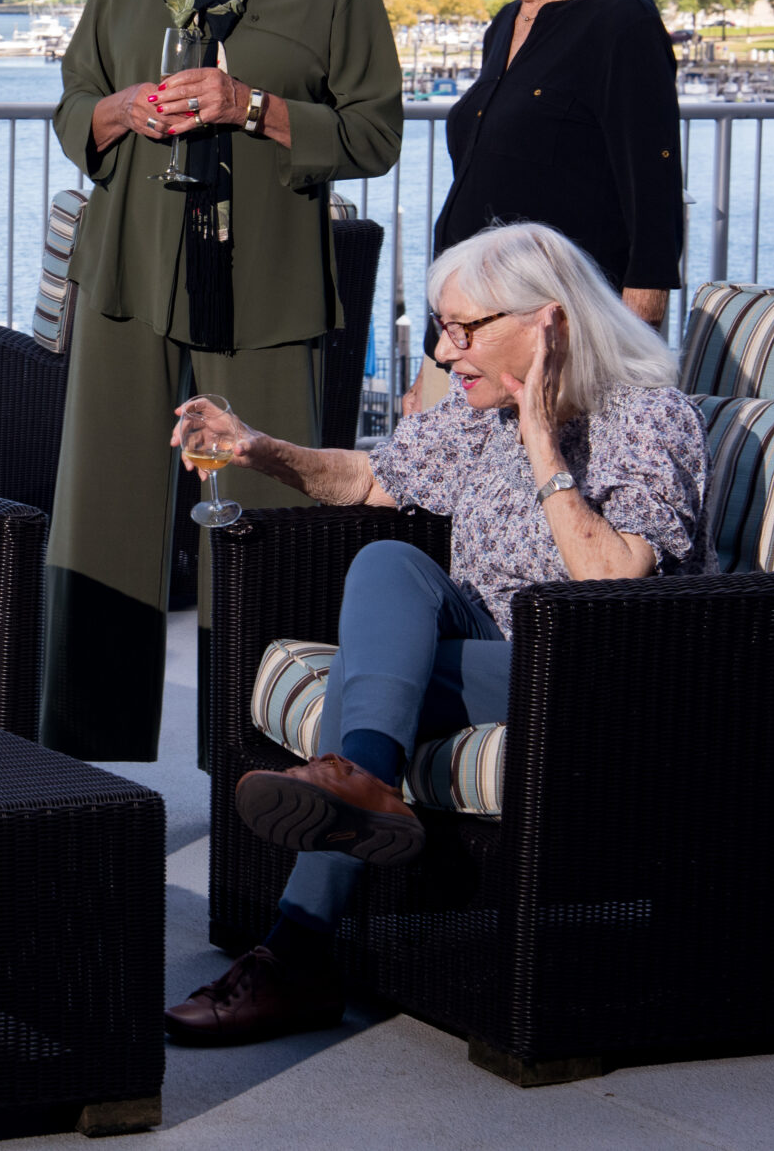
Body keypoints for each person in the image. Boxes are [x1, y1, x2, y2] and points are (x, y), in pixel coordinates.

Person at [161, 221, 707, 1045]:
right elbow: (373, 475)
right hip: (489, 636)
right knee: (388, 561)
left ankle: (296, 951)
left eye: (463, 329)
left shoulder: (648, 415)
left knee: (372, 676)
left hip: (593, 660)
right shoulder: (470, 415)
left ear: (547, 321)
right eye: (443, 329)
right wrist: (255, 447)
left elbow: (611, 578)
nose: (446, 352)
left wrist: (539, 436)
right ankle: (363, 783)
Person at [46, 0, 404, 761]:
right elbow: (74, 98)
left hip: (269, 290)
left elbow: (374, 134)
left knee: (265, 536)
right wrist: (113, 112)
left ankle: (263, 772)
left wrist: (253, 107)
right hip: (127, 275)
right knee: (99, 527)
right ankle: (83, 776)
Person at [408, 0, 683, 413]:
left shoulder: (623, 26)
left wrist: (621, 399)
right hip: (465, 351)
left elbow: (652, 237)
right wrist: (432, 365)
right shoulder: (507, 21)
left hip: (554, 371)